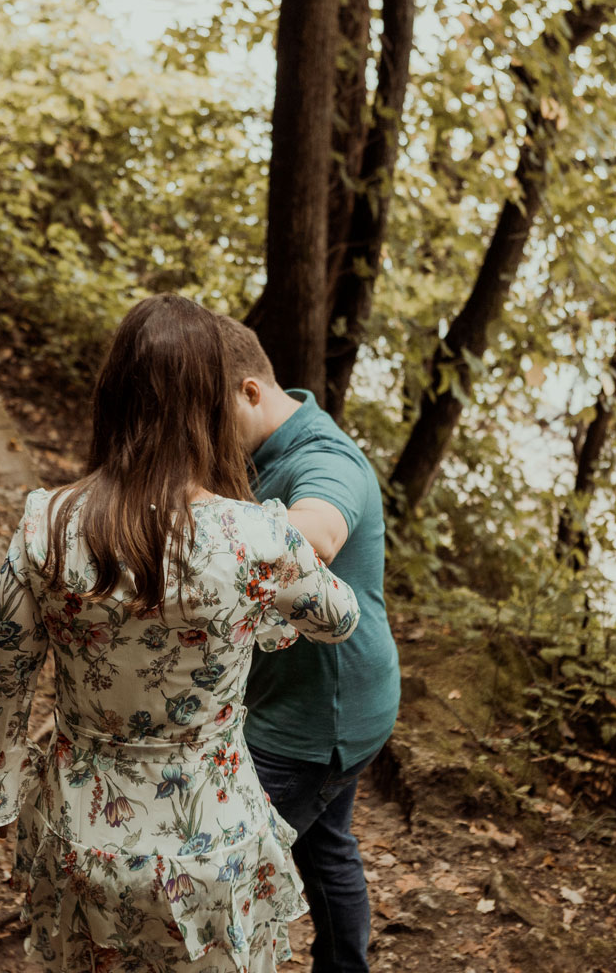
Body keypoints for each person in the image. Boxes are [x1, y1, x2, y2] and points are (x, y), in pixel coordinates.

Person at [0, 294, 362, 973]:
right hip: (214, 840)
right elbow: (337, 619)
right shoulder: (256, 536)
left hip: (84, 837)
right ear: (212, 406)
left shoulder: (47, 523)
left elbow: (0, 681)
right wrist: (271, 568)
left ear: (112, 396)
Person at [216, 317, 400, 973]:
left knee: (224, 869)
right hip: (330, 700)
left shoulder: (325, 459)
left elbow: (316, 535)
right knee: (326, 847)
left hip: (317, 718)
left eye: (209, 415)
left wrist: (202, 542)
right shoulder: (269, 444)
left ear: (248, 392)